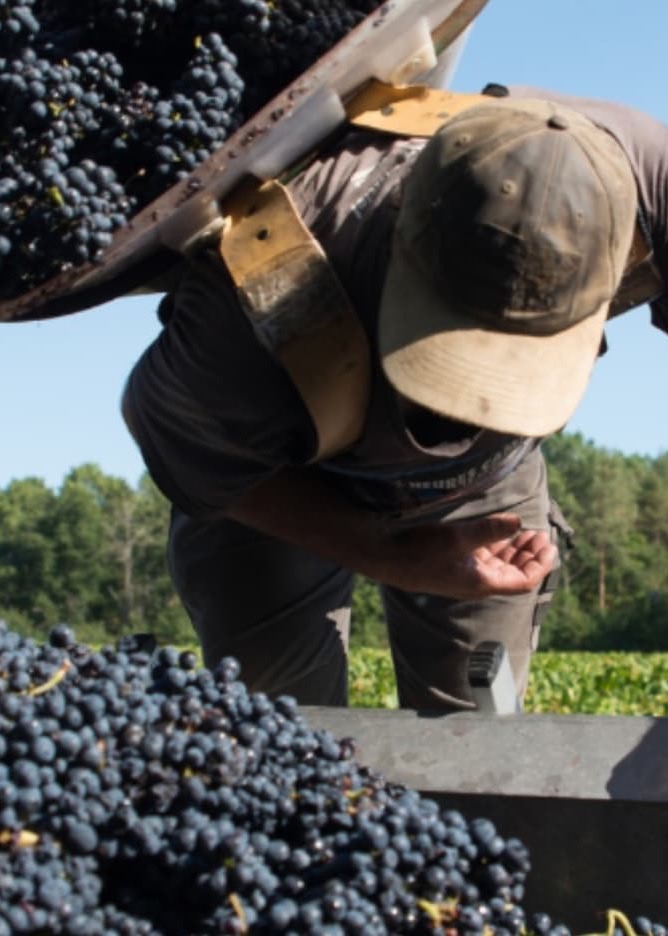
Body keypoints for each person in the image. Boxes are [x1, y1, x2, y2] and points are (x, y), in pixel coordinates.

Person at [122, 90, 642, 711]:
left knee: (479, 735)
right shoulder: (251, 311)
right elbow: (183, 448)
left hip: (484, 490)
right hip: (287, 480)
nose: (473, 407)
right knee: (284, 733)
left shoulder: (640, 179)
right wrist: (388, 553)